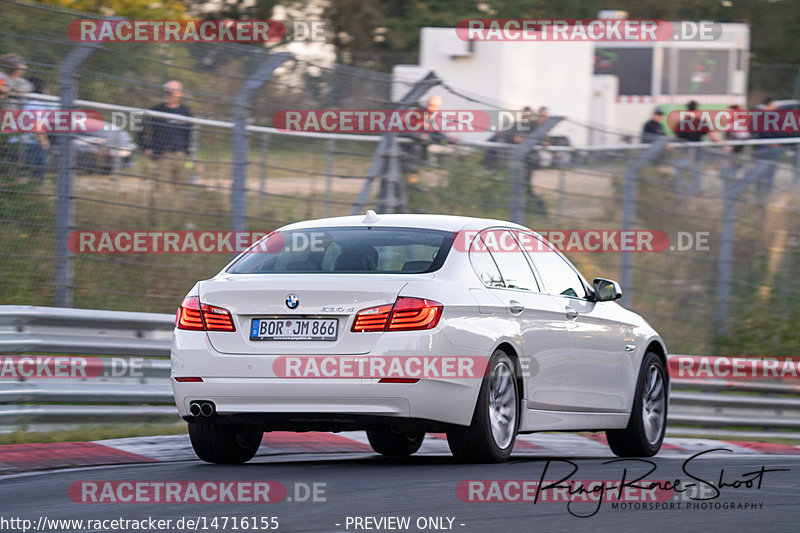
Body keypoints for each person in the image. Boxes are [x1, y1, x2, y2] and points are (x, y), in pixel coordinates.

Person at [138, 80, 193, 194]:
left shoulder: (185, 111)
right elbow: (140, 129)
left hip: (180, 156)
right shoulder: (156, 110)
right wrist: (145, 147)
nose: (167, 95)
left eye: (171, 92)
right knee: (162, 190)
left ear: (180, 94)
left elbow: (190, 135)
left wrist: (187, 153)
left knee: (182, 191)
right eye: (165, 92)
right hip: (162, 155)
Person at [753, 97, 782, 196]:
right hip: (766, 149)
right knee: (762, 172)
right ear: (769, 105)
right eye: (774, 104)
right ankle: (760, 194)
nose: (776, 107)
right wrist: (775, 145)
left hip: (769, 148)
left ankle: (765, 194)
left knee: (769, 173)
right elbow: (763, 134)